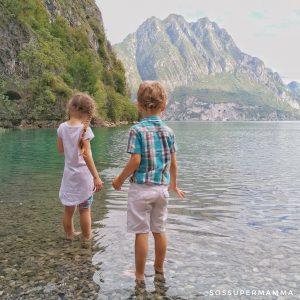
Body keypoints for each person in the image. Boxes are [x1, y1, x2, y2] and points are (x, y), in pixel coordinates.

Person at [112, 81, 185, 285]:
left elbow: (135, 160)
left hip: (141, 190)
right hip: (162, 190)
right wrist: (174, 186)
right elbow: (174, 164)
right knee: (159, 230)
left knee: (141, 232)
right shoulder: (169, 132)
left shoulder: (136, 130)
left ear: (139, 105)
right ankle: (159, 269)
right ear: (164, 106)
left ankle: (140, 276)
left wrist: (119, 180)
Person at [57, 92, 103, 241]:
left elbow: (60, 150)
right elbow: (86, 155)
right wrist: (96, 176)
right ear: (86, 113)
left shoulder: (62, 128)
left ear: (70, 108)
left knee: (69, 210)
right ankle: (86, 238)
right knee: (85, 210)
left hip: (69, 176)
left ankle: (69, 236)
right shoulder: (85, 130)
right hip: (84, 177)